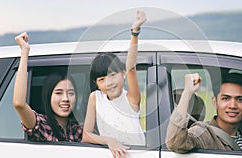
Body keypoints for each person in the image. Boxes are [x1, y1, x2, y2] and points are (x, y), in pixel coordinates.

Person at [82, 10, 147, 158]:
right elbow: (86, 135)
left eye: (113, 75)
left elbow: (131, 67)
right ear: (96, 84)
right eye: (101, 79)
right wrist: (108, 140)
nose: (109, 83)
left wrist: (135, 32)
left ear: (123, 74)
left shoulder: (131, 99)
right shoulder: (95, 98)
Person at [13, 32, 83, 142]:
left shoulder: (77, 128)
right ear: (48, 96)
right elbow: (19, 104)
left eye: (70, 93)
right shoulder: (43, 125)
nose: (66, 99)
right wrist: (24, 52)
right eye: (59, 93)